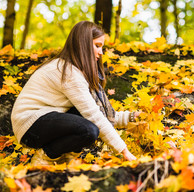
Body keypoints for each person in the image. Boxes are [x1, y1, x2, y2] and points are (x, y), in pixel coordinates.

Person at [11, 21, 137, 163]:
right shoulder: (68, 72)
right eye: (97, 46)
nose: (101, 53)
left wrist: (133, 117)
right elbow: (94, 116)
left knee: (83, 117)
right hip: (29, 125)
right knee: (89, 130)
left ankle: (64, 156)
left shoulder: (75, 71)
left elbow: (102, 114)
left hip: (46, 120)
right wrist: (124, 151)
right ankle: (46, 156)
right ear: (83, 44)